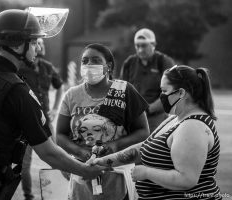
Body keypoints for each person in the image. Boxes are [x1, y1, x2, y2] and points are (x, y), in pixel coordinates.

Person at [0, 9, 105, 200]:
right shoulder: (17, 90)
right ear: (18, 46)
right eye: (33, 43)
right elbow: (48, 152)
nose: (37, 49)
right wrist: (85, 170)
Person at [93, 65, 222, 199]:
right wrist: (103, 162)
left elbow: (187, 179)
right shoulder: (175, 118)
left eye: (165, 91)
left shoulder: (193, 127)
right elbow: (143, 148)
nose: (161, 96)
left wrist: (147, 173)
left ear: (181, 93)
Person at [56, 43, 150, 200]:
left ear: (109, 66)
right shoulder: (71, 95)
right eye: (85, 61)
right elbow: (60, 135)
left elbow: (143, 132)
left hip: (116, 177)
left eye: (95, 60)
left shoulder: (124, 90)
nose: (89, 65)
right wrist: (80, 152)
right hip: (82, 174)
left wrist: (114, 146)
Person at [18, 38, 64, 200]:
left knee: (57, 157)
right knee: (24, 164)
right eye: (36, 43)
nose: (40, 46)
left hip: (46, 121)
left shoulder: (48, 67)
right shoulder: (20, 68)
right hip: (25, 122)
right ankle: (29, 196)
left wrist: (55, 108)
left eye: (42, 44)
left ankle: (57, 193)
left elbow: (60, 87)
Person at [120, 28, 175, 133]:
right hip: (133, 118)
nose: (140, 49)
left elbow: (170, 93)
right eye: (137, 46)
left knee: (153, 147)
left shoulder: (164, 62)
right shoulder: (129, 63)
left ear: (153, 44)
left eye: (144, 45)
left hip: (157, 118)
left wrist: (148, 109)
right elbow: (122, 90)